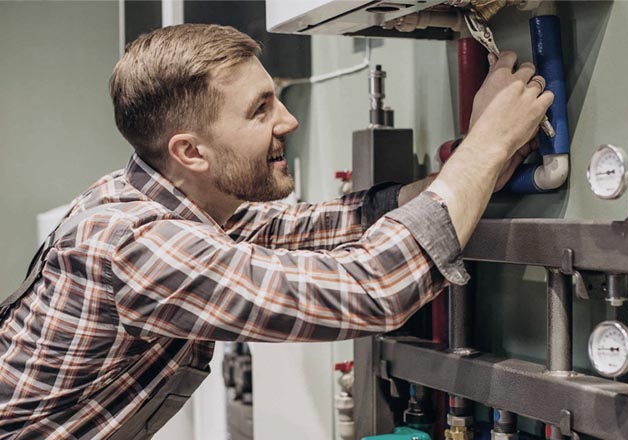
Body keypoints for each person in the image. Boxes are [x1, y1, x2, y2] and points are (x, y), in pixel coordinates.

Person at [0, 24, 552, 439]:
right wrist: (486, 145)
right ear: (190, 151)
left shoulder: (160, 199)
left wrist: (462, 175)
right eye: (260, 110)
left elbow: (297, 228)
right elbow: (369, 290)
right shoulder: (137, 246)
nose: (287, 121)